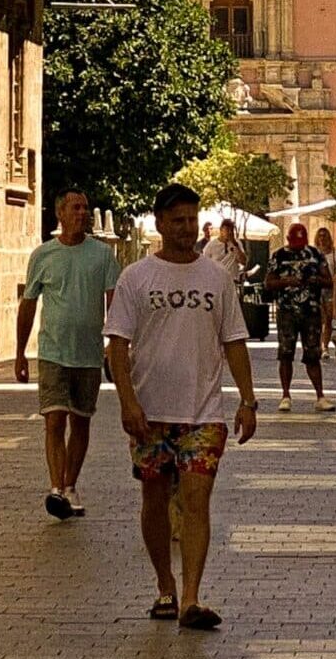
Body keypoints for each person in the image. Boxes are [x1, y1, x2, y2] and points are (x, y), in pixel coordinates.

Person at [106, 182, 258, 631]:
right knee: (154, 500)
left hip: (203, 413)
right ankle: (165, 585)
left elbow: (234, 342)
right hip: (150, 412)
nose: (187, 228)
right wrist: (127, 401)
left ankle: (191, 596)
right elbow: (118, 345)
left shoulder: (216, 279)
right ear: (159, 223)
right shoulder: (136, 277)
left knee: (196, 500)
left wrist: (248, 400)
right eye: (177, 220)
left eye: (192, 219)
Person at [13, 188, 122, 520]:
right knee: (54, 419)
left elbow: (115, 303)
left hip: (88, 354)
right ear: (59, 213)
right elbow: (28, 304)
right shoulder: (43, 255)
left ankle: (71, 484)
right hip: (52, 352)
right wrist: (20, 353)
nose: (82, 213)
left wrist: (114, 345)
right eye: (75, 208)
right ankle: (56, 488)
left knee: (81, 420)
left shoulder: (102, 255)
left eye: (85, 208)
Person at [264, 222, 334, 412]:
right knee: (285, 353)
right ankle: (285, 395)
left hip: (311, 311)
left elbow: (329, 280)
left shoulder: (315, 254)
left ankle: (320, 395)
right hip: (287, 311)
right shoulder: (279, 256)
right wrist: (286, 281)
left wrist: (316, 280)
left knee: (313, 354)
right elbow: (268, 282)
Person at [312, 226, 336, 353]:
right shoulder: (313, 254)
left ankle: (325, 346)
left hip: (330, 289)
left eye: (324, 235)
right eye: (320, 235)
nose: (322, 238)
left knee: (328, 319)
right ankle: (319, 344)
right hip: (317, 290)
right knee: (319, 319)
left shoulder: (335, 254)